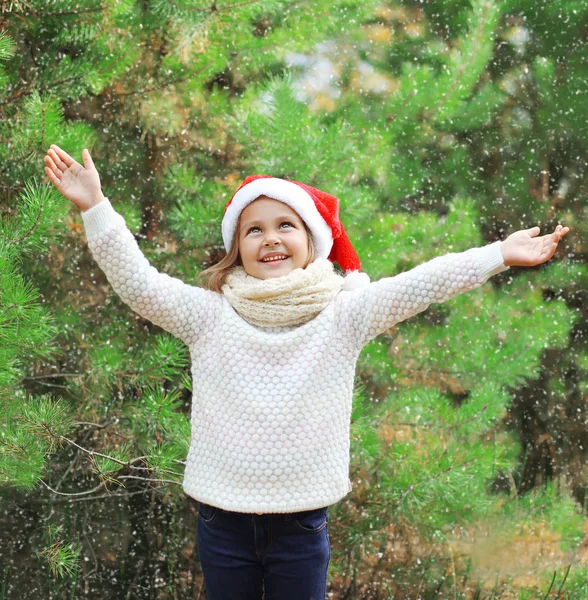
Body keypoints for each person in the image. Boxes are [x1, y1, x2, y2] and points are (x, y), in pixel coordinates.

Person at [43, 144, 569, 600]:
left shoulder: (345, 315)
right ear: (237, 250)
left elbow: (421, 283)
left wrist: (499, 254)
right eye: (254, 230)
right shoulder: (208, 317)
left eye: (285, 225)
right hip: (221, 521)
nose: (270, 238)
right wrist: (97, 207)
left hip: (301, 524)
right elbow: (141, 285)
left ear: (312, 242)